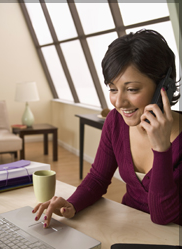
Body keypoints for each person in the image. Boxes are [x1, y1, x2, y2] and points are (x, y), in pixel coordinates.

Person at [33, 29, 182, 226]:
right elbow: (97, 178)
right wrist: (71, 204)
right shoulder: (115, 121)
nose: (119, 102)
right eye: (112, 89)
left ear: (163, 86)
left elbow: (163, 217)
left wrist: (162, 150)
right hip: (128, 227)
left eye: (131, 89)